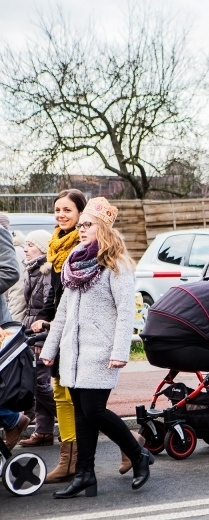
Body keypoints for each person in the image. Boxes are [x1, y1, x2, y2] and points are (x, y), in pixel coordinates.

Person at [39, 197, 154, 498]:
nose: (81, 230)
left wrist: (120, 352)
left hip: (100, 351)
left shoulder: (117, 265)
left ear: (102, 227)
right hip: (73, 352)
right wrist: (50, 349)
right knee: (82, 413)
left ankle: (137, 454)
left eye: (87, 225)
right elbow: (62, 313)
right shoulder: (74, 263)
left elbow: (126, 312)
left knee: (95, 410)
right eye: (80, 226)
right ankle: (85, 475)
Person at [31, 188, 86, 483]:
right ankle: (68, 457)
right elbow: (55, 292)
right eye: (58, 210)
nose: (61, 215)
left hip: (78, 330)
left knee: (83, 399)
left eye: (67, 210)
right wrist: (43, 317)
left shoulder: (84, 246)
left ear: (80, 213)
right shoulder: (55, 246)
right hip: (59, 327)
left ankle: (126, 447)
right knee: (60, 394)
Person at [17, 230, 56, 447]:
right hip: (30, 330)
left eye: (31, 245)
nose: (26, 248)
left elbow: (48, 309)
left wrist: (42, 339)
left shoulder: (46, 271)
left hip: (42, 333)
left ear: (42, 247)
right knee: (37, 380)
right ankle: (43, 431)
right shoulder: (31, 270)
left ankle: (70, 415)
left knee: (39, 382)